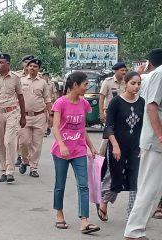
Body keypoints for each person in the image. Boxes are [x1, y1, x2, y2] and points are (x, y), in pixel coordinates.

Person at [51, 71, 100, 234]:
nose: (87, 87)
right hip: (61, 151)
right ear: (75, 85)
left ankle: (84, 221)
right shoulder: (60, 103)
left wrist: (91, 146)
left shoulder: (84, 104)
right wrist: (62, 145)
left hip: (79, 149)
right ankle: (59, 213)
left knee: (83, 185)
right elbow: (55, 127)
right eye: (85, 84)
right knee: (60, 184)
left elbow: (82, 128)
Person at [124, 48, 162, 240]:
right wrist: (160, 135)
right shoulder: (159, 74)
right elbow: (151, 107)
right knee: (150, 188)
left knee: (156, 190)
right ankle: (133, 231)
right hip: (156, 141)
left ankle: (137, 230)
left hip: (155, 140)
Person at [97, 72, 144, 222]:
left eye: (138, 84)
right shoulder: (116, 102)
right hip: (117, 146)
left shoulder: (142, 102)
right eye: (133, 83)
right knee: (116, 177)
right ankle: (104, 202)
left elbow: (143, 126)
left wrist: (143, 145)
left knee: (135, 179)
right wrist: (115, 146)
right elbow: (109, 126)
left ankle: (132, 215)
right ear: (125, 83)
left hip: (135, 147)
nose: (136, 87)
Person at [0, 53, 26, 183]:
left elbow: (20, 97)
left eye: (1, 62)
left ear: (8, 64)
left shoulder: (16, 78)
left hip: (12, 112)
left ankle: (10, 170)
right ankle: (3, 170)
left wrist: (23, 116)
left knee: (9, 141)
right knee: (0, 143)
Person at [18, 58, 51, 178]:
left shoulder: (43, 83)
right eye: (30, 66)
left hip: (39, 116)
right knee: (23, 142)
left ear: (39, 69)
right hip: (24, 117)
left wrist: (50, 116)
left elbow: (47, 99)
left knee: (37, 144)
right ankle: (24, 160)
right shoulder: (20, 80)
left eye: (35, 66)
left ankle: (33, 168)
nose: (32, 68)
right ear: (27, 67)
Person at [43, 72, 58, 137]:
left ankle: (48, 127)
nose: (45, 77)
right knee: (44, 116)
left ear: (48, 77)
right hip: (42, 102)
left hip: (50, 101)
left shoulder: (51, 84)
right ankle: (45, 130)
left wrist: (56, 100)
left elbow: (54, 92)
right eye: (44, 76)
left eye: (46, 76)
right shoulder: (41, 83)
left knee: (49, 116)